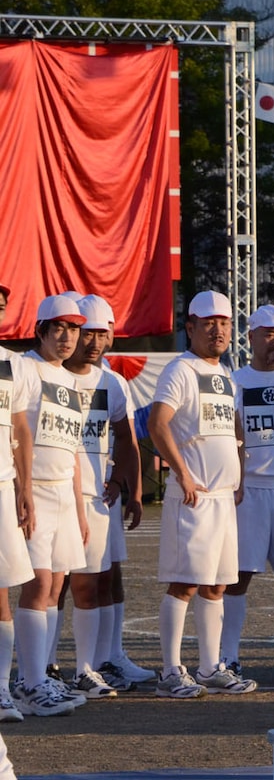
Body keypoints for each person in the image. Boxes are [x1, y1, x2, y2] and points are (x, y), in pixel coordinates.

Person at [148, 290, 257, 698]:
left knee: (217, 585)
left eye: (224, 322)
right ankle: (170, 671)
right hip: (193, 497)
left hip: (223, 498)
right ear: (190, 327)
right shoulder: (180, 370)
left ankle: (210, 667)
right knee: (185, 584)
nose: (218, 330)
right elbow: (158, 424)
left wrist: (239, 475)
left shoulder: (226, 373)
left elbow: (234, 427)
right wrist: (183, 475)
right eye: (209, 323)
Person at [12, 294, 90, 717]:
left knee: (56, 588)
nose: (67, 337)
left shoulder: (71, 380)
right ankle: (29, 682)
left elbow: (72, 449)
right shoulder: (25, 368)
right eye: (58, 328)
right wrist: (21, 489)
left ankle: (40, 674)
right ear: (40, 330)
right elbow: (16, 429)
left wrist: (79, 509)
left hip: (63, 492)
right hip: (35, 489)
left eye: (74, 329)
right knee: (38, 585)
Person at [62, 294, 139, 699]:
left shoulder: (111, 382)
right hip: (54, 493)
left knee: (96, 583)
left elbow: (126, 437)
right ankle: (44, 669)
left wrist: (123, 482)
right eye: (86, 333)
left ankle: (90, 667)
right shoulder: (49, 375)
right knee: (53, 584)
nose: (94, 342)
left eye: (101, 333)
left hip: (96, 498)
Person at [224, 305, 274, 678]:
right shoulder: (235, 381)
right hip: (248, 490)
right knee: (238, 577)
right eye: (267, 333)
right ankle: (228, 655)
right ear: (250, 336)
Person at [0, 282, 38, 722]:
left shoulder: (14, 365)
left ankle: (1, 689)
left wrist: (24, 488)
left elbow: (20, 430)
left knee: (2, 592)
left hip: (2, 485)